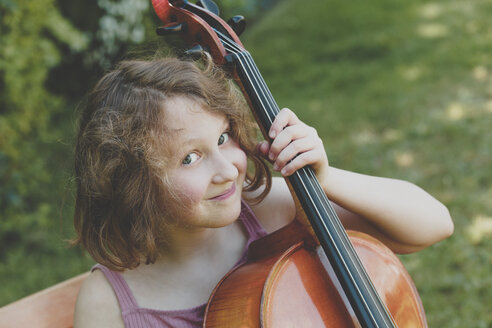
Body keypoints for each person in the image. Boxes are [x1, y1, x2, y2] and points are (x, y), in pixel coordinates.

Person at [72, 55, 453, 328]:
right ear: (129, 184)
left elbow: (434, 224)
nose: (225, 170)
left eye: (223, 138)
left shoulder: (269, 211)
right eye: (190, 158)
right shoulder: (108, 303)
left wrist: (326, 180)